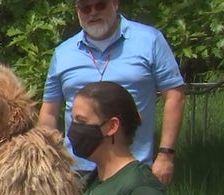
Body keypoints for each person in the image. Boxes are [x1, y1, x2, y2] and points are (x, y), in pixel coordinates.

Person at [38, 0, 185, 185]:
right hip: (75, 170)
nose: (92, 13)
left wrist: (166, 154)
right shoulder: (63, 53)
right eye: (85, 8)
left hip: (132, 167)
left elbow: (175, 96)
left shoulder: (149, 41)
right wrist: (43, 159)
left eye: (100, 5)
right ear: (77, 11)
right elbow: (49, 112)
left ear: (115, 3)